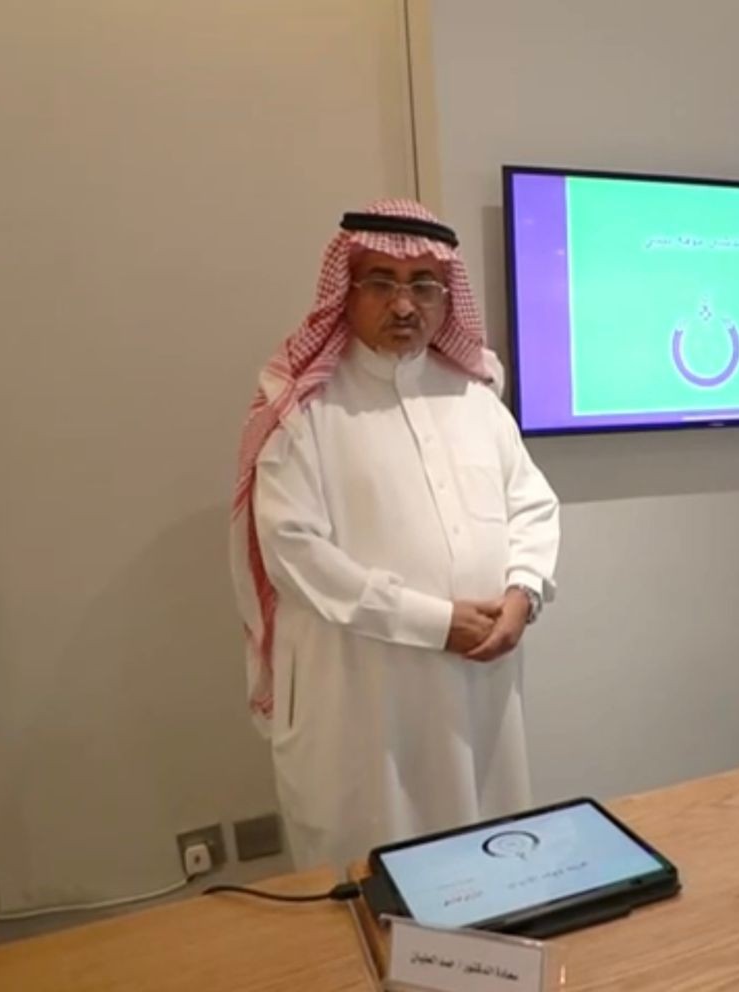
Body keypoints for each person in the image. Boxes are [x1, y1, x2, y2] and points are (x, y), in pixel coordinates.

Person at [229, 198, 560, 869]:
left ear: (446, 297)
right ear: (346, 290)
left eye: (423, 286)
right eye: (380, 282)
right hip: (363, 697)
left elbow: (533, 503)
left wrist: (523, 593)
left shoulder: (474, 397)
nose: (404, 305)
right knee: (370, 873)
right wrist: (433, 622)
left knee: (492, 858)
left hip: (480, 688)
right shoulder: (306, 407)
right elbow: (295, 551)